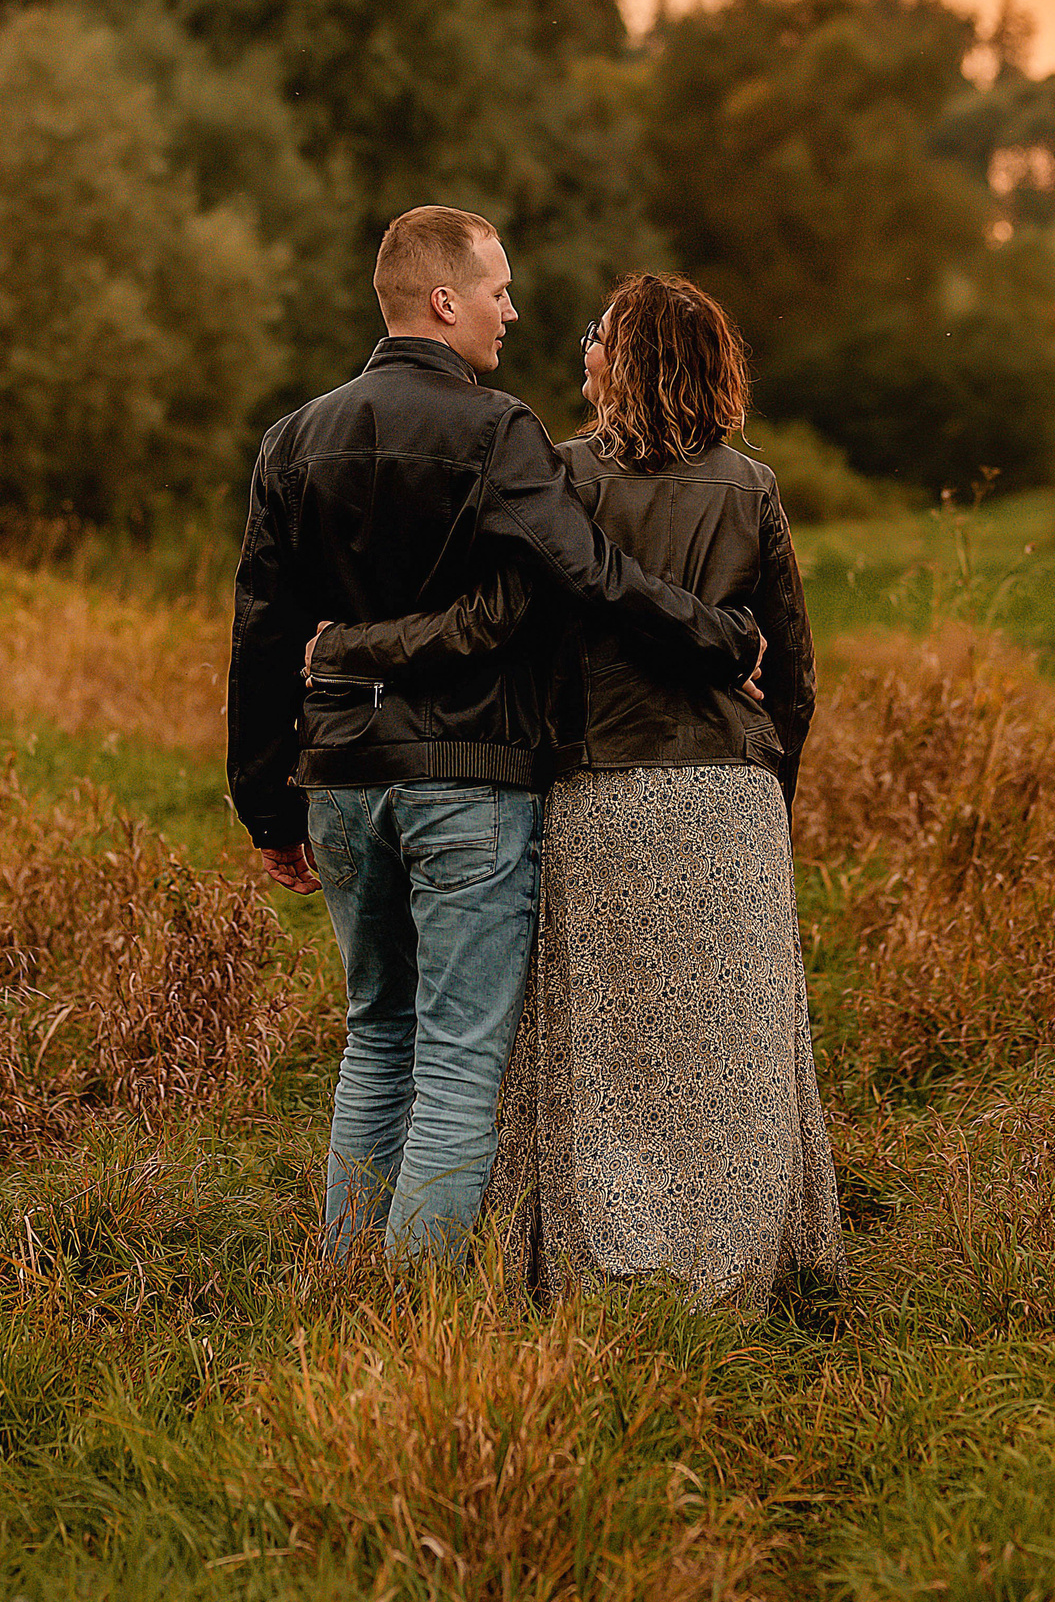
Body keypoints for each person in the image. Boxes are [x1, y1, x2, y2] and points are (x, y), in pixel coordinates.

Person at [226, 208, 761, 1265]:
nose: (511, 312)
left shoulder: (293, 438)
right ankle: (414, 1314)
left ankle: (346, 1286)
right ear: (444, 301)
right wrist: (719, 638)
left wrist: (266, 803)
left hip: (340, 779)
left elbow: (261, 632)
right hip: (468, 780)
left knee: (375, 1037)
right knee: (459, 1062)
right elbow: (587, 577)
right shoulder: (498, 430)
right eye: (498, 291)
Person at [317, 272, 844, 1310]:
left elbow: (491, 625)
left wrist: (348, 649)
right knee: (731, 1059)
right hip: (729, 805)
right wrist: (767, 793)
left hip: (600, 792)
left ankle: (596, 1271)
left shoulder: (557, 477)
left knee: (597, 1054)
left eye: (599, 334)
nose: (583, 348)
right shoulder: (753, 486)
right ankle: (738, 1275)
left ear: (630, 360)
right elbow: (794, 675)